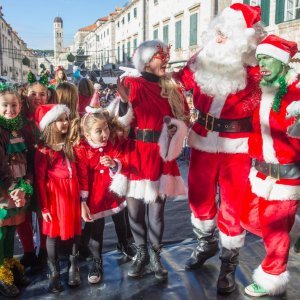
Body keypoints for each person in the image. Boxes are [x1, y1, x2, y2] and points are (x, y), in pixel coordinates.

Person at [173, 3, 265, 294]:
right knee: (199, 196)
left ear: (242, 38)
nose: (219, 38)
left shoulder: (254, 69)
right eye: (218, 32)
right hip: (202, 138)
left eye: (226, 34)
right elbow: (179, 83)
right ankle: (206, 241)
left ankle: (229, 262)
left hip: (236, 146)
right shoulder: (202, 57)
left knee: (232, 204)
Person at [110, 40, 189, 281]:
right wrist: (123, 103)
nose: (165, 59)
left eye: (166, 55)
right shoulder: (131, 83)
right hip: (135, 154)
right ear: (146, 60)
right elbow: (118, 123)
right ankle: (141, 254)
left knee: (156, 213)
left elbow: (184, 118)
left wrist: (177, 128)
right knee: (134, 212)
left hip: (160, 155)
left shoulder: (173, 88)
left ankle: (155, 255)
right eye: (159, 56)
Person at [240, 35, 300, 297]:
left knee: (275, 230)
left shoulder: (296, 92)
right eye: (260, 58)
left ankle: (271, 277)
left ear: (282, 62)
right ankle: (294, 230)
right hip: (260, 175)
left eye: (267, 58)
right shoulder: (261, 89)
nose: (261, 63)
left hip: (287, 180)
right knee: (248, 219)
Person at [75, 99, 132, 284]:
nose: (104, 134)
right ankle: (96, 261)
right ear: (87, 132)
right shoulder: (83, 150)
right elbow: (82, 177)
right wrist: (83, 200)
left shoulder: (112, 144)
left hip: (113, 192)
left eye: (106, 128)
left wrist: (114, 164)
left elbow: (122, 160)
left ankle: (123, 244)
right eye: (98, 131)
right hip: (96, 196)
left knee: (121, 222)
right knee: (96, 231)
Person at [35, 104, 81, 293]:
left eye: (66, 118)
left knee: (74, 230)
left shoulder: (71, 144)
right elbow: (39, 180)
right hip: (55, 197)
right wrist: (44, 207)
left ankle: (73, 266)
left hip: (72, 193)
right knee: (53, 234)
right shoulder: (44, 150)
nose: (65, 122)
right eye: (60, 120)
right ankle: (54, 272)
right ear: (50, 124)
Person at [0, 84, 32, 297]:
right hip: (4, 191)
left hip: (18, 191)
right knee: (1, 231)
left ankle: (10, 263)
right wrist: (13, 188)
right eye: (5, 105)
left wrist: (25, 185)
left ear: (20, 106)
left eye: (14, 105)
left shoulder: (19, 129)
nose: (10, 109)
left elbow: (27, 162)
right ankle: (1, 273)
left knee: (11, 229)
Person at [17, 77, 49, 273]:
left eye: (42, 94)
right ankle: (28, 251)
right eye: (33, 94)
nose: (38, 98)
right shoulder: (17, 118)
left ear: (48, 96)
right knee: (23, 213)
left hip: (45, 171)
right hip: (22, 171)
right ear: (26, 95)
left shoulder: (52, 116)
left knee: (43, 212)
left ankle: (45, 251)